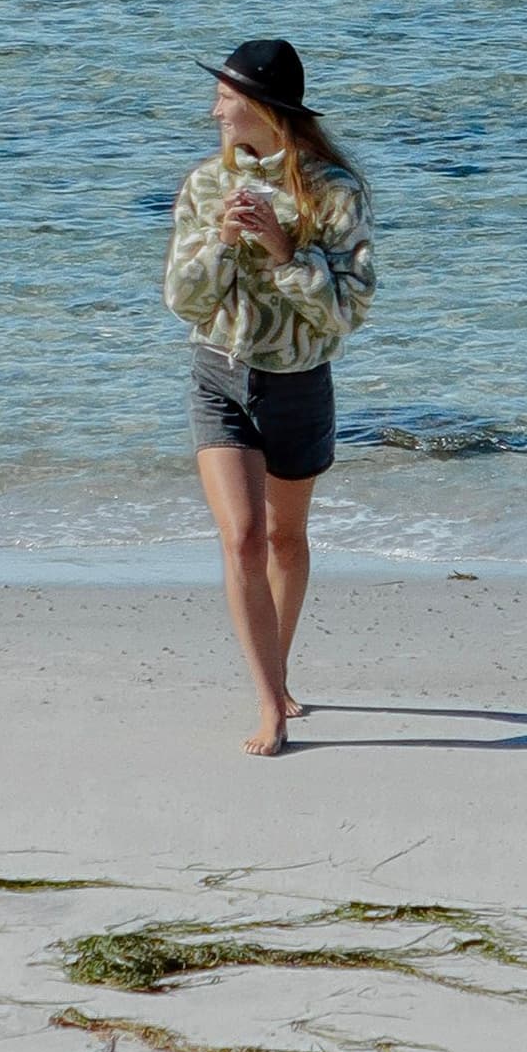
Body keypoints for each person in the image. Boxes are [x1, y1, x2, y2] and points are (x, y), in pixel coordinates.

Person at [162, 37, 375, 755]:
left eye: (226, 97)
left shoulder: (335, 191)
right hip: (217, 375)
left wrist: (288, 253)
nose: (215, 109)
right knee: (244, 537)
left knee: (285, 537)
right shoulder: (205, 185)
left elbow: (346, 313)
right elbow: (183, 302)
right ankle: (268, 704)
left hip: (299, 384)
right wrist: (222, 243)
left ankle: (278, 676)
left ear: (262, 108)